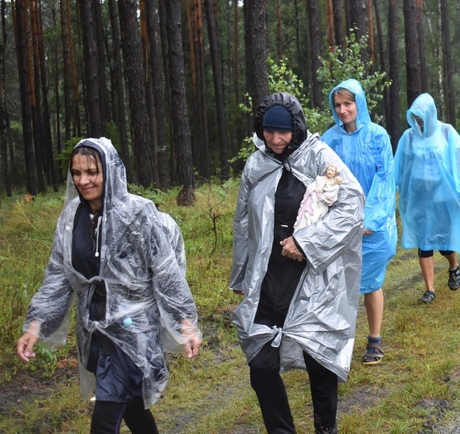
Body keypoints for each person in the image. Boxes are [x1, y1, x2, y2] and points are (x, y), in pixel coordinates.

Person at [16, 138, 201, 433]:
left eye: (92, 172)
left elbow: (166, 273)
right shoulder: (70, 219)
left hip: (134, 332)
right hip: (95, 331)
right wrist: (36, 325)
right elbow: (58, 277)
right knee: (132, 408)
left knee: (106, 415)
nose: (83, 180)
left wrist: (186, 323)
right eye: (77, 173)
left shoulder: (138, 215)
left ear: (110, 171)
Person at [230, 93, 365, 433]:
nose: (275, 140)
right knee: (260, 363)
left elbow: (352, 205)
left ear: (297, 127)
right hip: (269, 277)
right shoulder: (256, 165)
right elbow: (243, 222)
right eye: (267, 132)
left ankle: (325, 428)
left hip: (313, 276)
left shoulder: (319, 157)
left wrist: (307, 243)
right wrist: (242, 275)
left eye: (283, 132)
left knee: (318, 360)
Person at [321, 78, 397, 366]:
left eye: (348, 103)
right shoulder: (329, 140)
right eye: (338, 105)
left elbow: (384, 178)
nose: (342, 110)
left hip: (372, 226)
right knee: (341, 287)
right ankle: (340, 345)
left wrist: (372, 218)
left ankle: (374, 340)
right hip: (340, 224)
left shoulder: (378, 136)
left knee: (370, 282)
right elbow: (324, 181)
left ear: (359, 103)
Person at [394, 93, 460, 304]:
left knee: (443, 244)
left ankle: (453, 265)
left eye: (423, 117)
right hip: (419, 200)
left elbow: (459, 160)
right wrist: (399, 189)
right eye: (416, 117)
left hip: (443, 199)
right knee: (424, 243)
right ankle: (430, 289)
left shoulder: (446, 132)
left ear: (431, 113)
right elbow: (401, 165)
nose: (419, 122)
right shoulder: (409, 137)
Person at [294, 164, 343, 228]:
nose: (330, 172)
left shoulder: (334, 185)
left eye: (332, 171)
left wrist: (329, 199)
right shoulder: (319, 179)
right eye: (329, 169)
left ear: (335, 173)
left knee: (315, 222)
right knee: (306, 220)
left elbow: (333, 198)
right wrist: (315, 190)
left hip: (321, 207)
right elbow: (310, 188)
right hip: (312, 203)